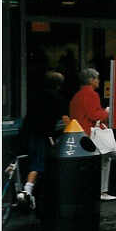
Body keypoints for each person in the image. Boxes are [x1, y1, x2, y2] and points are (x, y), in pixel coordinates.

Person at [18, 72, 70, 210]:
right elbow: (66, 121)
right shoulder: (57, 98)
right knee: (39, 164)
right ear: (59, 85)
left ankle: (29, 192)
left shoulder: (36, 95)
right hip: (43, 135)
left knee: (32, 162)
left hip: (27, 133)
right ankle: (27, 191)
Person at [70, 68, 114, 200]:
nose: (98, 81)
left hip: (78, 133)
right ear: (91, 80)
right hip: (90, 133)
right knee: (105, 160)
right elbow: (94, 115)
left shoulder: (77, 95)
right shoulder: (91, 94)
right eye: (97, 78)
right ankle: (102, 191)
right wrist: (107, 112)